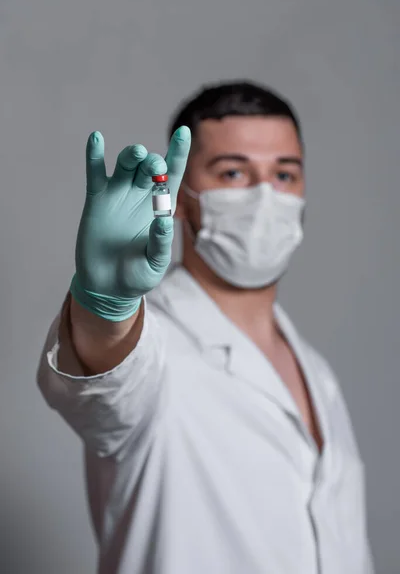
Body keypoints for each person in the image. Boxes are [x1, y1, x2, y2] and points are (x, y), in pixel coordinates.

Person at [37, 81, 374, 574]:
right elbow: (106, 372)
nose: (265, 196)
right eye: (233, 172)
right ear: (180, 196)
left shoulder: (318, 374)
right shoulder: (154, 356)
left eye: (284, 174)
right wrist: (104, 304)